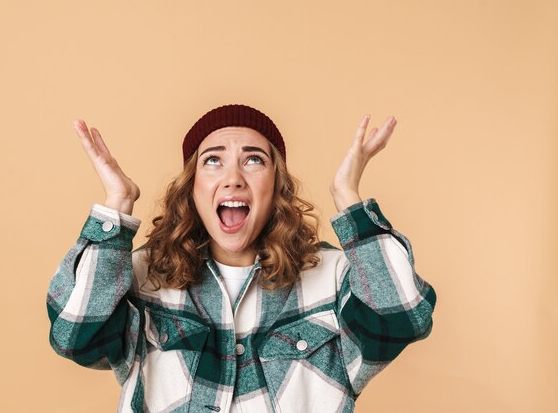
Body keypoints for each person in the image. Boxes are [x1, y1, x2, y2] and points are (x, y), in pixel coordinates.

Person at [46, 104, 437, 413]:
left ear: (276, 185)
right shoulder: (145, 274)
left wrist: (348, 198)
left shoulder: (332, 275)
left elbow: (402, 318)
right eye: (213, 160)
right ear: (193, 187)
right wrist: (116, 207)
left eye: (253, 160)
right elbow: (75, 336)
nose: (233, 177)